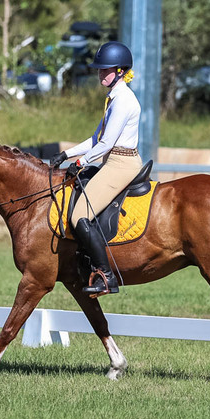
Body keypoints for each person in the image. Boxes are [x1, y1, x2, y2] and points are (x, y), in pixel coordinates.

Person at [49, 41, 143, 297]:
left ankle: (106, 276)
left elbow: (106, 143)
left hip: (121, 163)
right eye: (100, 69)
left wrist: (80, 163)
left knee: (79, 216)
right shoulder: (114, 98)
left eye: (106, 69)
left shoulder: (123, 101)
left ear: (122, 71)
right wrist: (66, 154)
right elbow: (95, 139)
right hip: (110, 160)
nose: (101, 73)